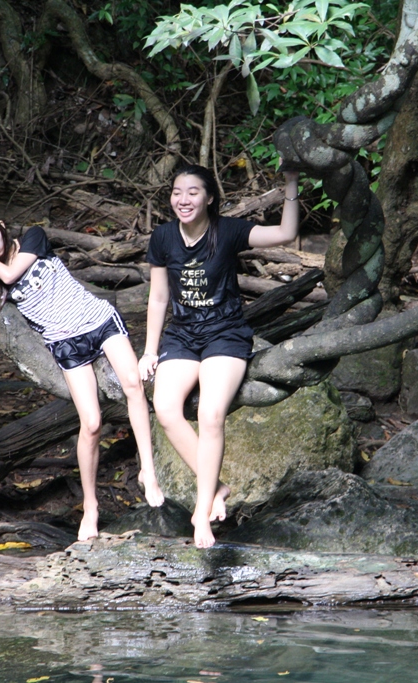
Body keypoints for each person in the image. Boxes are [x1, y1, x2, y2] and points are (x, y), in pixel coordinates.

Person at [0, 204, 165, 541]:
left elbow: (10, 274)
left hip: (100, 322)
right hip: (65, 343)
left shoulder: (33, 238)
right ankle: (91, 507)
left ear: (2, 225)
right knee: (91, 424)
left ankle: (148, 472)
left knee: (133, 383)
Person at [139, 165, 300, 548]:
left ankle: (201, 512)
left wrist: (292, 185)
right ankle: (218, 487)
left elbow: (285, 233)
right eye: (177, 192)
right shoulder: (163, 237)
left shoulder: (227, 230)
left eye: (193, 192)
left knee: (209, 414)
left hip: (225, 335)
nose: (184, 199)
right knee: (165, 408)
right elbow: (159, 297)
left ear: (209, 197)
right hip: (182, 336)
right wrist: (148, 349)